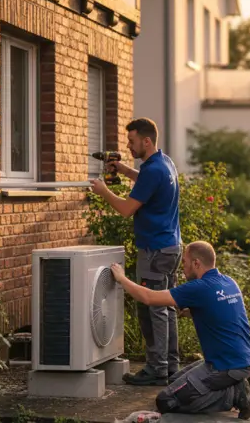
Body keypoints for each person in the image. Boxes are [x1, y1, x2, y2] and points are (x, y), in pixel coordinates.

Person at [109, 241, 250, 419]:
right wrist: (192, 312)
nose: (182, 267)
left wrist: (121, 278)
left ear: (196, 263)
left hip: (225, 366)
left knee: (167, 401)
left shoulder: (199, 287)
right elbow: (223, 310)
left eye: (184, 262)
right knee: (175, 381)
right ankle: (241, 383)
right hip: (241, 359)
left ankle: (235, 395)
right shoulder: (228, 282)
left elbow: (148, 298)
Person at [90, 117, 181, 386]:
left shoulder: (153, 170)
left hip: (154, 251)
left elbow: (127, 209)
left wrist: (103, 191)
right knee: (167, 307)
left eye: (131, 141)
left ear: (146, 141)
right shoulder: (164, 163)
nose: (128, 146)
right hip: (170, 247)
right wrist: (124, 169)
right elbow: (147, 183)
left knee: (152, 308)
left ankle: (156, 369)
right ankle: (171, 366)